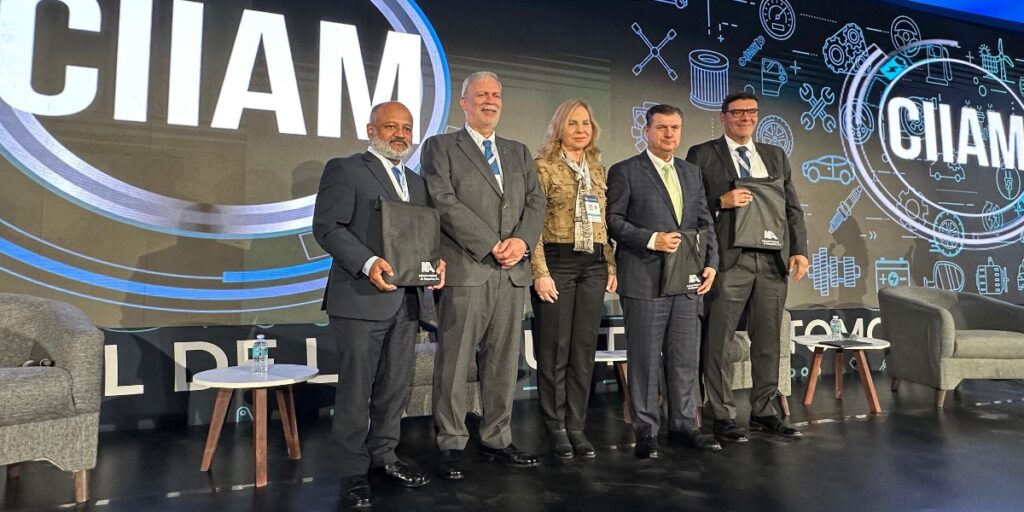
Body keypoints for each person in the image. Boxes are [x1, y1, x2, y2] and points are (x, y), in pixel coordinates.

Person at [312, 101, 445, 508]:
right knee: (356, 391)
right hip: (359, 300)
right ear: (371, 131)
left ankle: (384, 455)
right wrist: (368, 263)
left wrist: (435, 265)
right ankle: (353, 471)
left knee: (394, 387)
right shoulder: (346, 169)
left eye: (406, 127)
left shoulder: (418, 182)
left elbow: (420, 237)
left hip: (406, 303)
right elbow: (327, 228)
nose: (400, 134)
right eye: (391, 126)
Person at [421, 71, 547, 479]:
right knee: (455, 363)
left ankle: (497, 439)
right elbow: (442, 200)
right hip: (468, 268)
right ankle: (451, 442)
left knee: (504, 363)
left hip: (513, 273)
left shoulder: (518, 151)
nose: (489, 101)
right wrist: (492, 243)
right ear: (464, 102)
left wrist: (522, 243)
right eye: (481, 95)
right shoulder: (440, 147)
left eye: (495, 94)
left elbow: (535, 203)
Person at [685, 91, 808, 444]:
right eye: (737, 112)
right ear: (723, 117)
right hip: (728, 260)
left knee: (769, 340)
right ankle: (722, 414)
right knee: (718, 341)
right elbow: (689, 206)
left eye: (751, 112)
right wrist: (719, 202)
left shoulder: (774, 155)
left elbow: (792, 208)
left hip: (771, 260)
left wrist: (799, 250)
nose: (745, 118)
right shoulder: (703, 154)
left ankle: (765, 410)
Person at [606, 104, 721, 458]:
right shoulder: (625, 171)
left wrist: (711, 263)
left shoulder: (691, 172)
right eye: (662, 128)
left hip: (687, 281)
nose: (669, 134)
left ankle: (685, 425)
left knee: (684, 358)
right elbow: (612, 221)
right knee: (643, 359)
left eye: (675, 128)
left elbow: (705, 223)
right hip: (644, 279)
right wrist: (651, 239)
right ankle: (646, 431)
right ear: (647, 130)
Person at [530, 99, 617, 459]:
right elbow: (531, 224)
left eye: (586, 123)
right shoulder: (542, 168)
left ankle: (577, 426)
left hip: (593, 264)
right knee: (554, 350)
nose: (581, 129)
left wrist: (610, 264)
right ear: (558, 128)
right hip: (556, 260)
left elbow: (604, 222)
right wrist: (540, 272)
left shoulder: (597, 169)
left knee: (583, 350)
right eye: (572, 123)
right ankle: (555, 427)